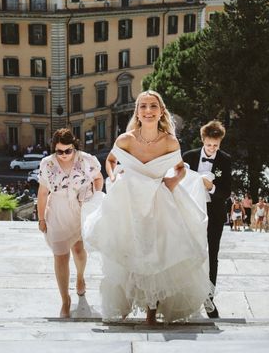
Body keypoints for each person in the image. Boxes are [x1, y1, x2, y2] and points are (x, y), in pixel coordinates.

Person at [84, 90, 212, 324]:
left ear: (161, 111)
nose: (148, 111)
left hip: (157, 201)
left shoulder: (170, 141)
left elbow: (180, 167)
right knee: (128, 250)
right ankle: (123, 306)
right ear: (138, 112)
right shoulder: (126, 139)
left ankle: (151, 312)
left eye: (153, 106)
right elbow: (111, 161)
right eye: (143, 106)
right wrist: (113, 178)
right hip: (129, 202)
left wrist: (172, 181)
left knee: (156, 253)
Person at [36, 128, 103, 318]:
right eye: (59, 151)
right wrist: (41, 218)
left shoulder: (86, 160)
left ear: (74, 147)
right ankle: (65, 300)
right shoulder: (47, 164)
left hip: (80, 212)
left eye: (68, 150)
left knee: (79, 251)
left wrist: (95, 199)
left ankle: (80, 277)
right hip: (57, 212)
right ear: (54, 150)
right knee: (60, 257)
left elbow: (98, 179)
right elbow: (42, 193)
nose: (64, 155)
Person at [182, 119, 232, 319]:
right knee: (188, 252)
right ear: (203, 140)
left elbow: (226, 191)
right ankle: (185, 295)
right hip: (190, 211)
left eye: (216, 145)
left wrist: (210, 187)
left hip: (215, 213)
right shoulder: (189, 156)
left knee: (212, 254)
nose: (212, 149)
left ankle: (209, 298)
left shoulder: (225, 159)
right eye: (209, 144)